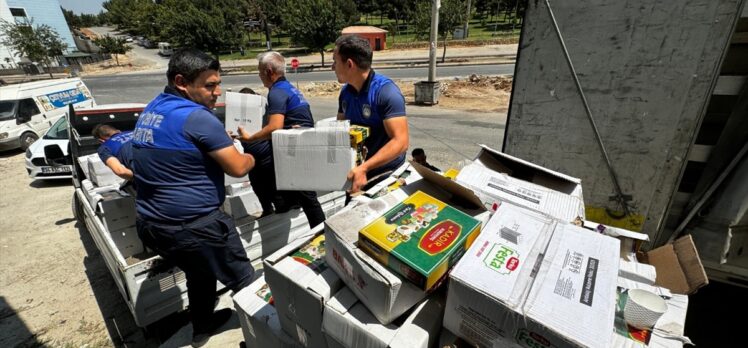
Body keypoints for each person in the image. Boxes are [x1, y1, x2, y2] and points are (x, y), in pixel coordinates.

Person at [131, 48, 256, 347]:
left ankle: (202, 324)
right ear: (181, 82)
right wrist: (249, 154)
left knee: (199, 273)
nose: (218, 93)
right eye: (209, 86)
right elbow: (238, 168)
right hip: (196, 226)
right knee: (247, 283)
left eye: (218, 84)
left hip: (153, 224)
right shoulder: (197, 118)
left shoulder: (152, 110)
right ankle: (266, 335)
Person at [235, 51, 326, 228]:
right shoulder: (290, 88)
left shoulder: (276, 92)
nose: (260, 76)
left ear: (269, 71)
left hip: (297, 149)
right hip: (302, 143)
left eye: (260, 72)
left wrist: (250, 138)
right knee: (305, 196)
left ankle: (322, 235)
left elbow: (274, 127)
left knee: (308, 198)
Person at [333, 35, 409, 193]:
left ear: (349, 64)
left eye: (335, 61)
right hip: (359, 174)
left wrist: (364, 168)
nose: (332, 67)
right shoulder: (345, 93)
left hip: (386, 175)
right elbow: (341, 130)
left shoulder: (386, 92)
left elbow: (401, 142)